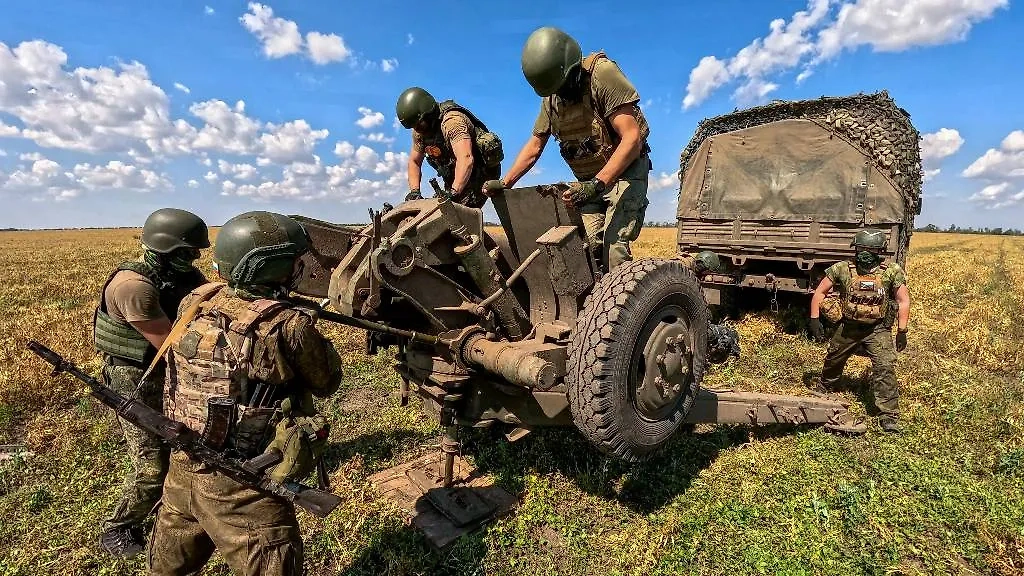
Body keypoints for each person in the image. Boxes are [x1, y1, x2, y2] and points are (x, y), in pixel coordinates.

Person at [148, 210, 343, 576]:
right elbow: (327, 383)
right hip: (243, 480)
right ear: (273, 268)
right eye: (296, 260)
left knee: (167, 567)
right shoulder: (287, 324)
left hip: (183, 460)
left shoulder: (197, 299)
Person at [482, 26, 652, 273]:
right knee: (586, 249)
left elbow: (631, 137)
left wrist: (597, 184)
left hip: (625, 172)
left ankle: (625, 306)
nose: (560, 93)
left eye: (563, 86)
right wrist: (505, 183)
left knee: (613, 248)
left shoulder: (602, 75)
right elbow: (535, 144)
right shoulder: (551, 97)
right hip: (587, 182)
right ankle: (595, 306)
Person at [93, 208, 210, 557]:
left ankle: (177, 506)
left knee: (184, 444)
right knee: (151, 464)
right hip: (135, 380)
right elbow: (173, 344)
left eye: (195, 253)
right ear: (165, 250)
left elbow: (209, 298)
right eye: (187, 253)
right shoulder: (134, 287)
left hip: (166, 372)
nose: (193, 259)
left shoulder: (180, 274)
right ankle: (118, 527)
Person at [809, 228, 910, 432]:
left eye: (870, 249)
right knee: (834, 358)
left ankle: (888, 415)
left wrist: (902, 330)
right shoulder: (842, 269)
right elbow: (820, 292)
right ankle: (826, 387)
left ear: (880, 251)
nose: (865, 253)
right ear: (855, 249)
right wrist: (814, 320)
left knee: (885, 367)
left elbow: (903, 300)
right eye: (862, 248)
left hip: (878, 329)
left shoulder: (892, 272)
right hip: (848, 327)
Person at [397, 86, 504, 208]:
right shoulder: (420, 132)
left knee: (459, 215)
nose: (417, 129)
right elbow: (414, 161)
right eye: (414, 126)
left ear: (428, 112)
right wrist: (414, 192)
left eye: (419, 124)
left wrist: (454, 191)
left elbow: (466, 158)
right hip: (456, 176)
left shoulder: (452, 122)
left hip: (479, 173)